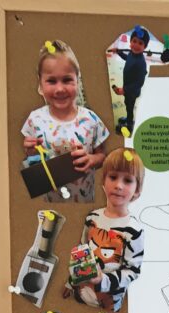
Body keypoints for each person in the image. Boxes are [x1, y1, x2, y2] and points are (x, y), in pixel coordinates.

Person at [21, 39, 109, 203]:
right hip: (49, 202)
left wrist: (91, 160)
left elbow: (103, 156)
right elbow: (32, 159)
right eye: (51, 81)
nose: (60, 89)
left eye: (67, 80)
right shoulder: (34, 120)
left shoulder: (91, 120)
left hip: (84, 202)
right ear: (40, 83)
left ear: (78, 80)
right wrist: (30, 151)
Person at [67, 148, 145, 312]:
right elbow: (82, 251)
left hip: (109, 303)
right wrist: (71, 282)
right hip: (81, 293)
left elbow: (132, 271)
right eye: (113, 177)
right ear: (103, 181)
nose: (118, 185)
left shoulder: (134, 230)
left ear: (137, 190)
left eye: (127, 180)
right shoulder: (92, 217)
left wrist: (103, 280)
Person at [109, 25, 150, 130]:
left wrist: (125, 90)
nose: (136, 45)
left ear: (145, 47)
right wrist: (119, 52)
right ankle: (128, 119)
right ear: (130, 41)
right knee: (127, 104)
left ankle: (129, 124)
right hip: (127, 86)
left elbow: (139, 83)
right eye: (134, 41)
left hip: (132, 91)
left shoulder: (141, 63)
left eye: (140, 43)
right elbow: (127, 58)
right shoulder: (132, 53)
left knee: (130, 106)